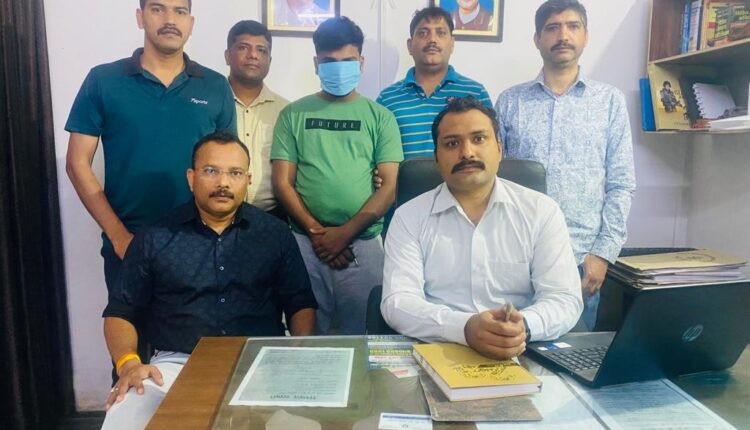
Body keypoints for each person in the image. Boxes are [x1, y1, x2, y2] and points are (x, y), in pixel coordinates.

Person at [100, 131, 317, 430]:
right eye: (211, 171)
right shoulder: (154, 238)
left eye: (235, 173)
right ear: (191, 178)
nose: (223, 183)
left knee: (306, 425)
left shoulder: (274, 234)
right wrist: (129, 364)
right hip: (177, 364)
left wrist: (297, 355)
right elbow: (120, 312)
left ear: (248, 180)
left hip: (261, 361)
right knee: (126, 413)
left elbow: (300, 303)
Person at [381, 97, 582, 359]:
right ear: (437, 158)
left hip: (521, 350)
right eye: (452, 143)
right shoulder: (409, 217)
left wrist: (521, 327)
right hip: (438, 349)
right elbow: (398, 301)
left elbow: (564, 298)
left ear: (499, 149)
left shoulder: (541, 211)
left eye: (478, 139)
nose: (467, 153)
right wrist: (464, 328)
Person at [65, 0, 236, 294]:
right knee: (129, 326)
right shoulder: (104, 80)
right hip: (130, 243)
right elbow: (77, 164)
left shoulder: (215, 85)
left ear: (191, 23)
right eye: (158, 9)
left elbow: (229, 166)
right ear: (140, 17)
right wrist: (118, 236)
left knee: (202, 327)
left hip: (202, 243)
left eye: (180, 11)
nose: (170, 19)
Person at [494, 0, 635, 330]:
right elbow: (494, 180)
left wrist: (602, 254)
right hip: (517, 257)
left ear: (586, 35)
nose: (563, 35)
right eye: (552, 28)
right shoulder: (510, 101)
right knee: (508, 347)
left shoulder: (609, 102)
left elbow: (622, 183)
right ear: (537, 39)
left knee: (571, 355)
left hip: (580, 261)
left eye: (573, 26)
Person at [272, 17, 404, 335]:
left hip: (364, 242)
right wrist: (319, 234)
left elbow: (389, 187)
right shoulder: (293, 114)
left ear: (361, 62)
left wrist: (344, 233)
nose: (339, 68)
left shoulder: (381, 117)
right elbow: (282, 183)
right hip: (305, 242)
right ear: (316, 64)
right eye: (330, 61)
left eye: (347, 60)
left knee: (365, 333)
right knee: (306, 334)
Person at [377, 6, 491, 159]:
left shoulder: (475, 93)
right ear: (410, 45)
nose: (432, 40)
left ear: (452, 44)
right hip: (404, 176)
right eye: (423, 33)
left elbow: (489, 150)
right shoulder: (387, 99)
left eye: (441, 33)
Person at [225, 20, 288, 219]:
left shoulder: (286, 111)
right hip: (215, 215)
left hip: (272, 216)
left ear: (270, 59)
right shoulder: (210, 103)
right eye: (243, 47)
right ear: (227, 56)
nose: (253, 55)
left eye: (262, 50)